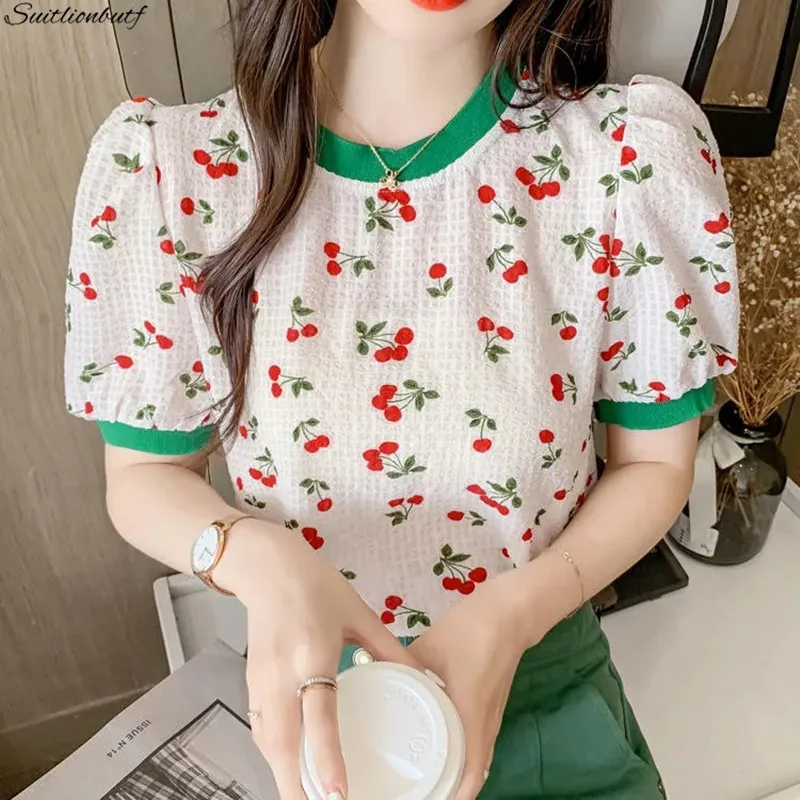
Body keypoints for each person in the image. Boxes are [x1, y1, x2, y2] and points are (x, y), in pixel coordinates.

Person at [64, 0, 739, 798]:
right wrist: (262, 563)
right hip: (313, 718)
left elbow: (655, 463)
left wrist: (513, 614)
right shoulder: (174, 172)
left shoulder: (624, 164)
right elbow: (143, 475)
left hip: (544, 696)